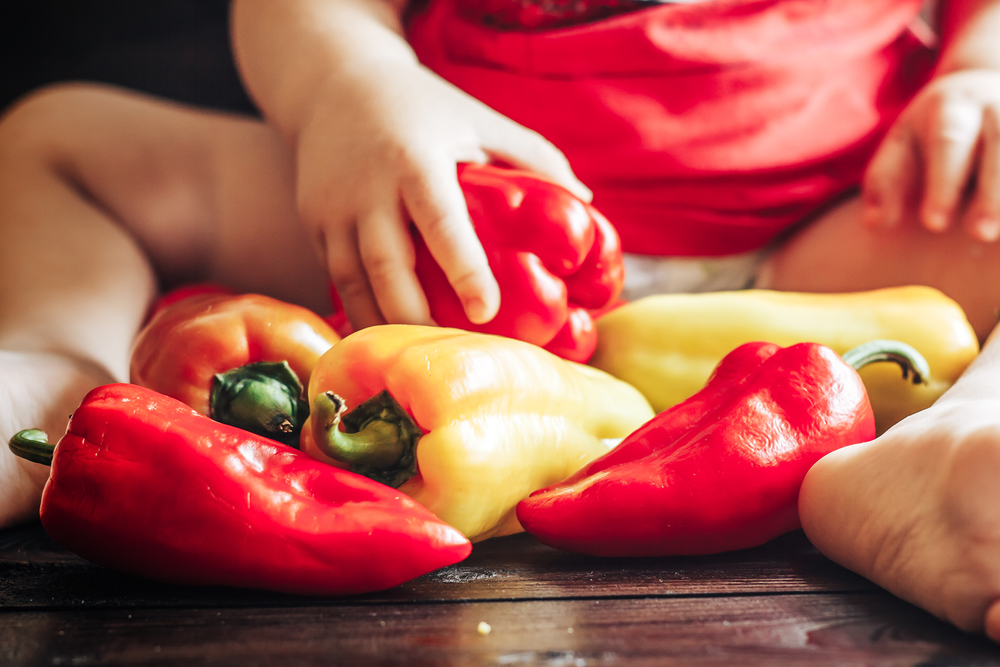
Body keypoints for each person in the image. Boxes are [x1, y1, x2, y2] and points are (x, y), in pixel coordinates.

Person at [1, 0, 999, 640]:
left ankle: (954, 439)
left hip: (822, 225)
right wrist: (353, 89)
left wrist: (977, 71)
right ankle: (52, 356)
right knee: (66, 140)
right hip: (432, 224)